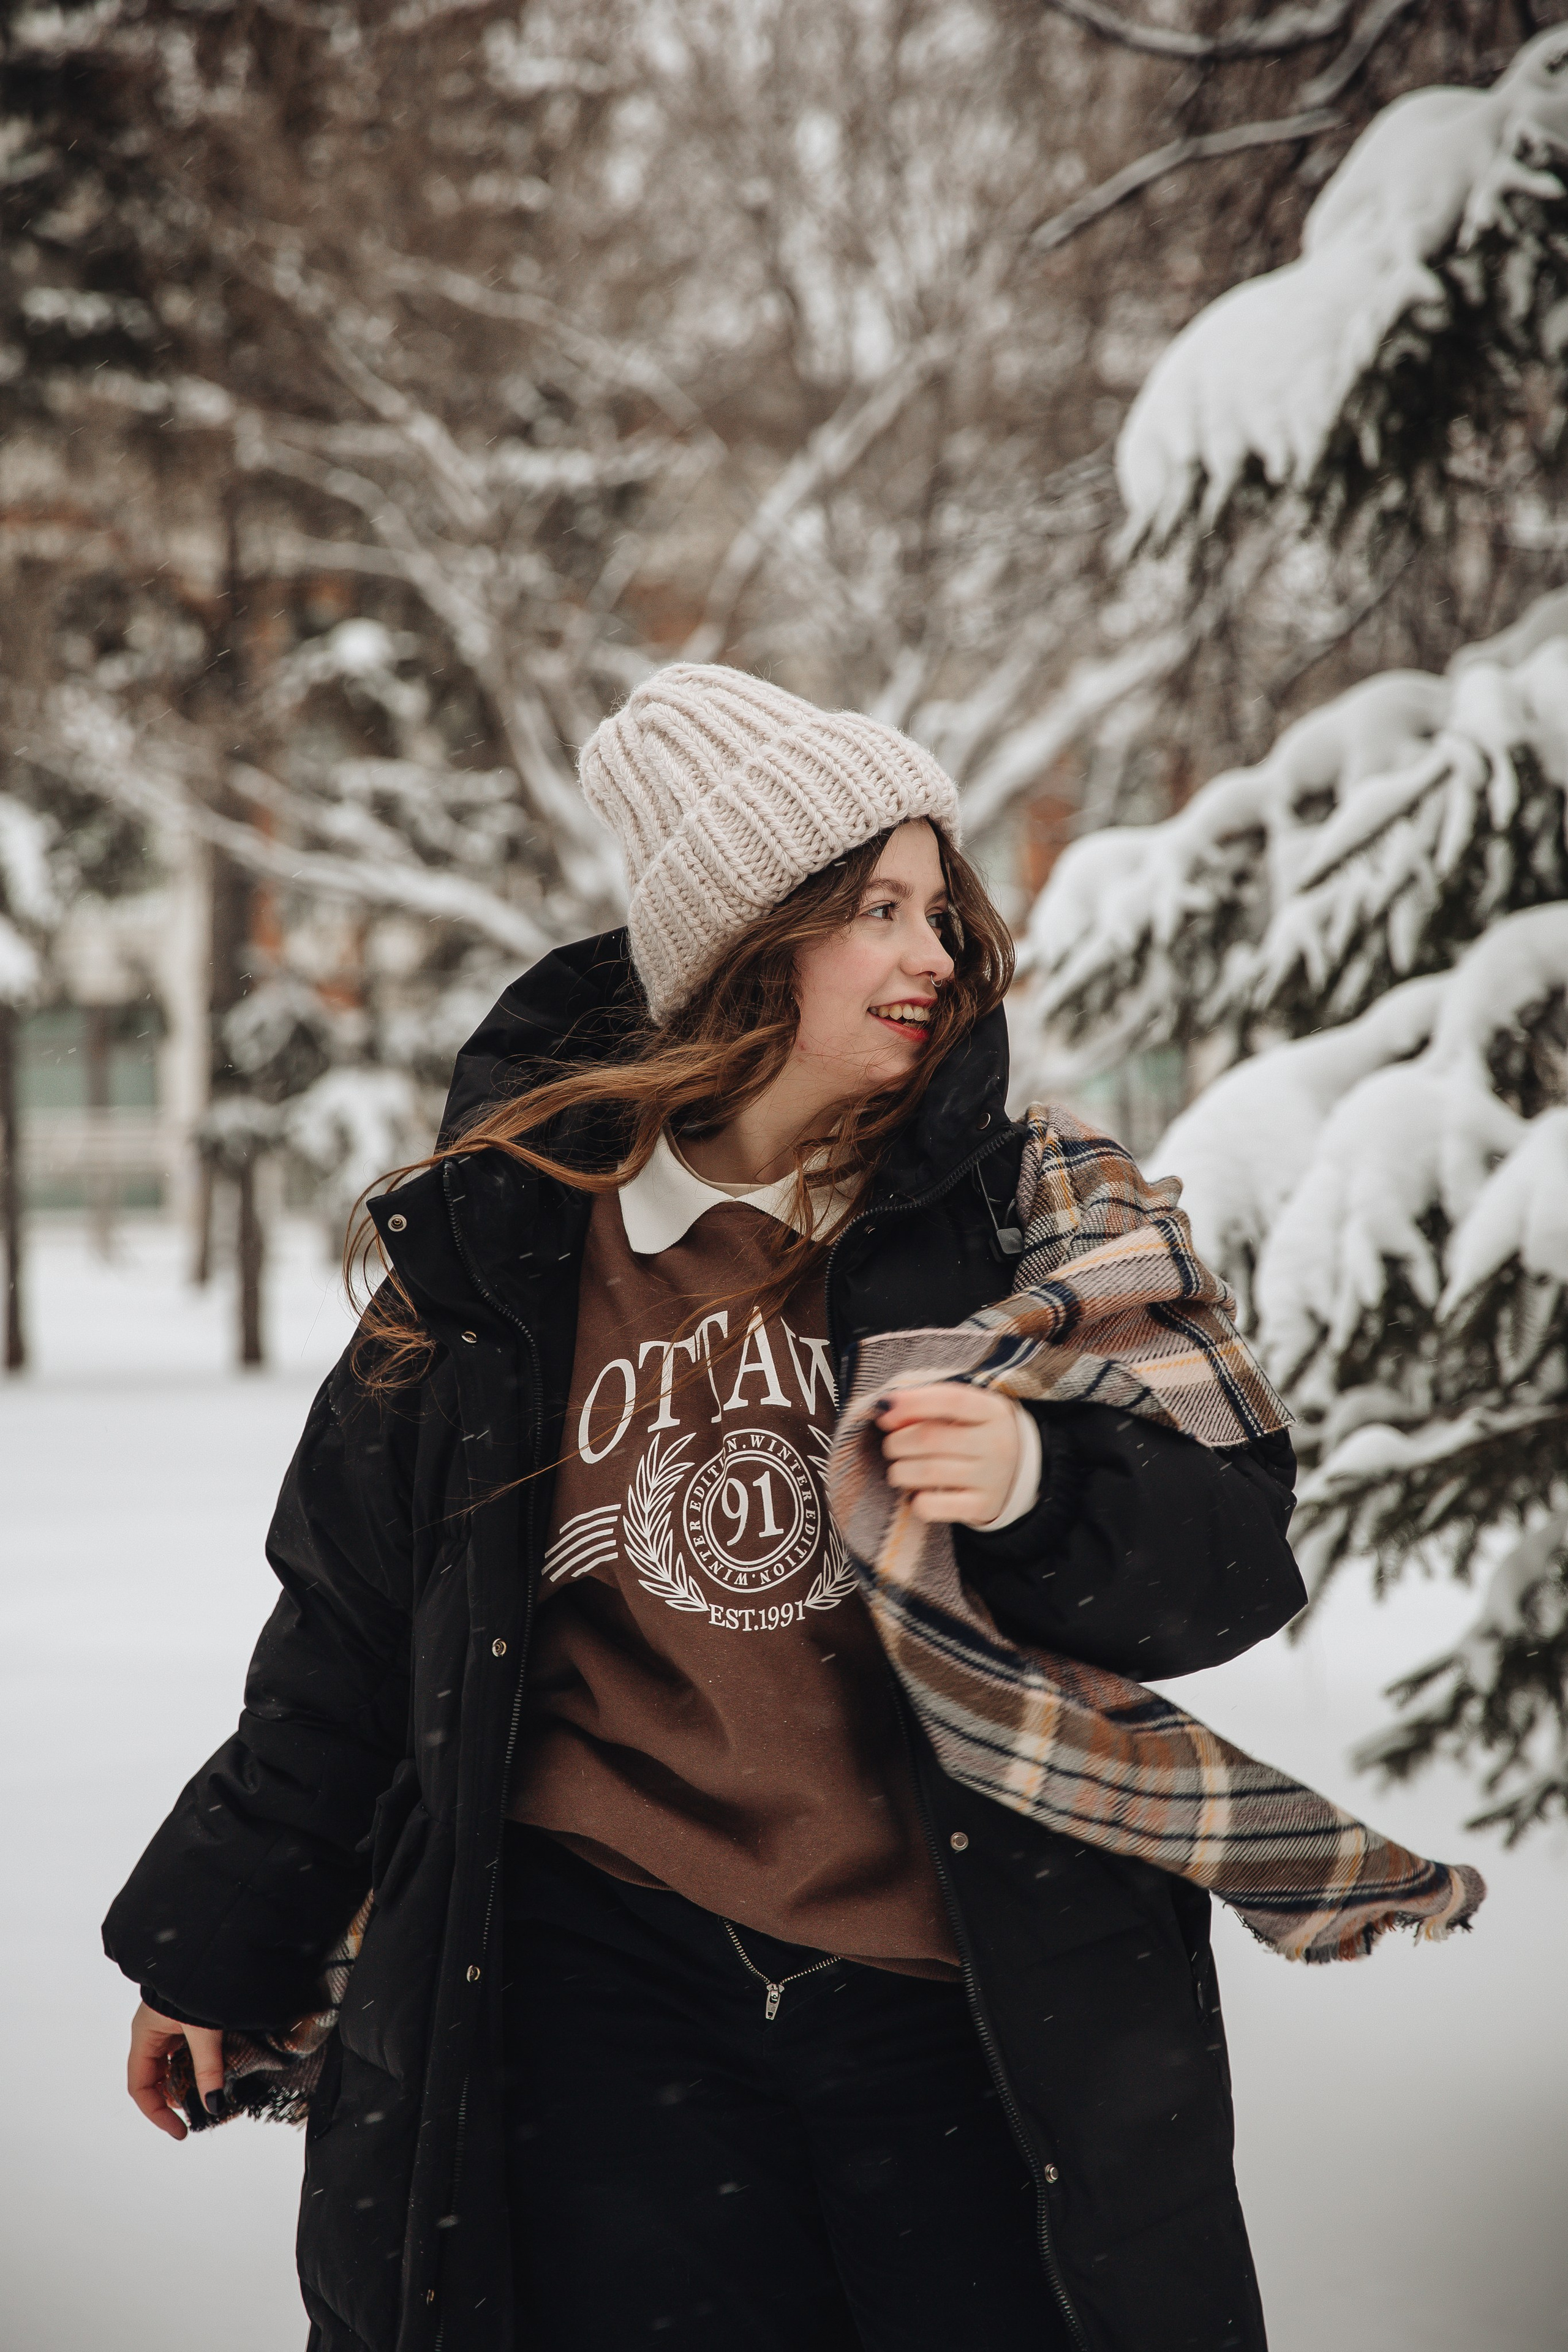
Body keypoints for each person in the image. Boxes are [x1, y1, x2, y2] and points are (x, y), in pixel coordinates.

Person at [105, 665, 1306, 2352]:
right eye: (875, 910)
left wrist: (1038, 1484)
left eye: (937, 908)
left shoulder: (1030, 1217)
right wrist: (217, 1945)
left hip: (958, 1996)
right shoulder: (511, 1244)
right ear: (748, 942)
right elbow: (354, 1630)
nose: (934, 953)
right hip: (600, 1988)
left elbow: (1234, 1560)